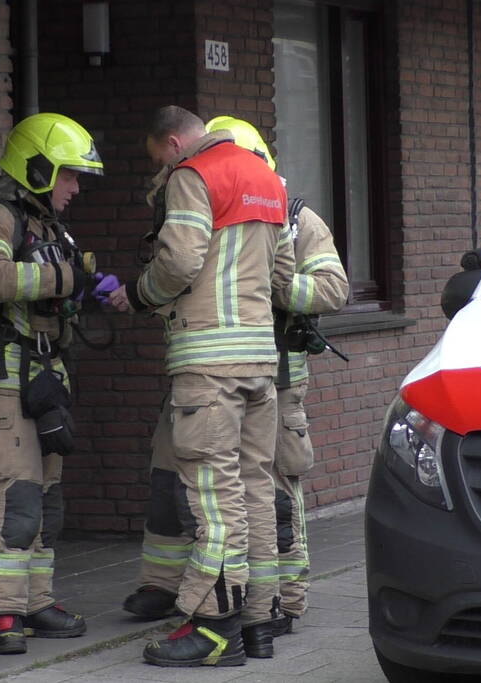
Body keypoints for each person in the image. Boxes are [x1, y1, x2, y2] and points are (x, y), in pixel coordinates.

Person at [118, 116, 349, 647]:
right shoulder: (269, 188)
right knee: (255, 497)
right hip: (261, 368)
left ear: (178, 145)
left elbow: (178, 263)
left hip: (211, 366)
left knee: (218, 501)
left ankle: (213, 624)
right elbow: (278, 276)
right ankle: (258, 622)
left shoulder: (196, 176)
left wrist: (142, 294)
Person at [0, 112, 103, 655]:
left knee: (48, 498)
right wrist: (67, 277)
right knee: (15, 496)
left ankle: (36, 601)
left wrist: (87, 280)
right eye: (69, 174)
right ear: (38, 168)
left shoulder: (48, 226)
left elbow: (56, 281)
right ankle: (2, 612)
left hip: (43, 374)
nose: (75, 187)